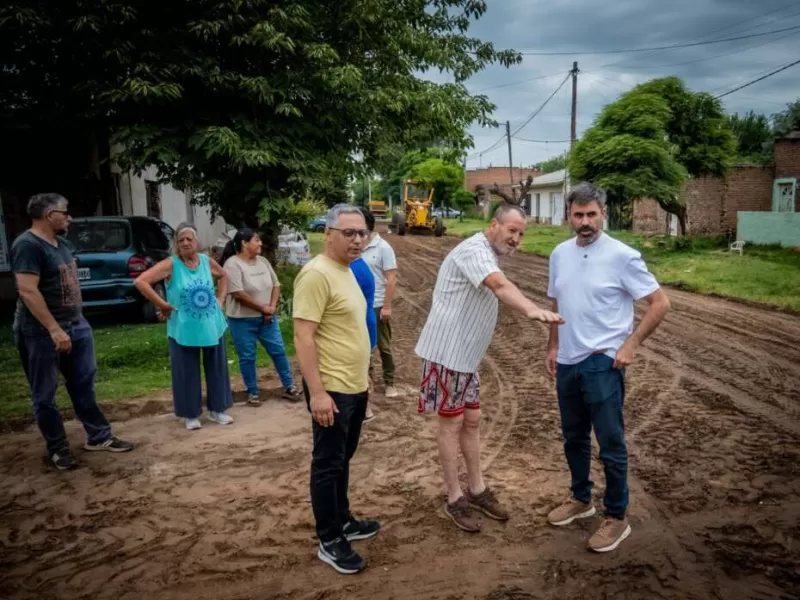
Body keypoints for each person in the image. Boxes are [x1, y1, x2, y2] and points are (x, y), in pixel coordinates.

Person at [414, 203, 563, 533]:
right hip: (447, 355)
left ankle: (478, 489)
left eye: (521, 234)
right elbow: (498, 285)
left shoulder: (487, 253)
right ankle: (454, 497)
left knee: (473, 420)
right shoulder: (475, 250)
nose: (516, 239)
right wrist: (532, 309)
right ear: (494, 225)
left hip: (466, 358)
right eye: (512, 230)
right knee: (451, 424)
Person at [545, 182, 671, 553]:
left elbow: (660, 303)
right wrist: (552, 345)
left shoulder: (622, 256)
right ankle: (581, 499)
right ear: (569, 215)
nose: (584, 222)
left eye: (591, 214)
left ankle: (617, 516)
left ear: (604, 214)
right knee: (573, 437)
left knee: (611, 443)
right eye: (578, 215)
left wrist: (630, 345)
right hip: (567, 360)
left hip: (603, 361)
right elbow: (556, 300)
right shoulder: (559, 253)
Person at [11, 193, 134, 470]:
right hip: (41, 332)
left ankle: (99, 437)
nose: (69, 217)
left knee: (83, 384)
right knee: (45, 394)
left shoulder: (62, 243)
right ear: (48, 214)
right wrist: (54, 329)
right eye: (65, 212)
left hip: (76, 326)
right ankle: (58, 449)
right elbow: (28, 291)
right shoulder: (27, 245)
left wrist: (76, 322)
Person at [293, 203, 380, 575]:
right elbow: (303, 335)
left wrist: (366, 378)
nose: (357, 239)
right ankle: (330, 539)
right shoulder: (316, 274)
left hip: (353, 385)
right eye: (349, 233)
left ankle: (343, 519)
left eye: (362, 233)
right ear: (328, 234)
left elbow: (350, 330)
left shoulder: (348, 270)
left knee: (343, 457)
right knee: (327, 464)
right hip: (331, 389)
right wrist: (317, 393)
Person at [134, 222, 234, 430]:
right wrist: (162, 304)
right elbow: (141, 281)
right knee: (185, 370)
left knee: (217, 368)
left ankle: (218, 410)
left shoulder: (206, 261)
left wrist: (221, 299)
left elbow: (224, 275)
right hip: (183, 326)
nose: (186, 243)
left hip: (211, 324)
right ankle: (190, 414)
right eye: (181, 240)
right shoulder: (171, 264)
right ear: (177, 244)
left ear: (197, 242)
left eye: (190, 239)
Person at [220, 229, 301, 406]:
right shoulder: (232, 264)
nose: (260, 244)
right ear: (244, 243)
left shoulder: (263, 261)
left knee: (278, 351)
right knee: (247, 356)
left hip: (267, 319)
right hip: (242, 320)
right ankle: (252, 392)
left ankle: (289, 386)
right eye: (257, 240)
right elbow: (238, 294)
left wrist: (270, 308)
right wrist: (264, 308)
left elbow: (276, 285)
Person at [360, 210, 398, 398]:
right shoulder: (356, 247)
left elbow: (391, 279)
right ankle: (368, 382)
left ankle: (389, 382)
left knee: (384, 346)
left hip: (377, 304)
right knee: (363, 346)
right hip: (359, 305)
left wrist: (386, 305)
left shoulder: (383, 247)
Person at [349, 255, 378, 422]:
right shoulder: (361, 266)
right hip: (367, 325)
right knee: (365, 368)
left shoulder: (353, 270)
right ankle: (365, 409)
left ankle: (365, 409)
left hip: (361, 327)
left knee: (362, 370)